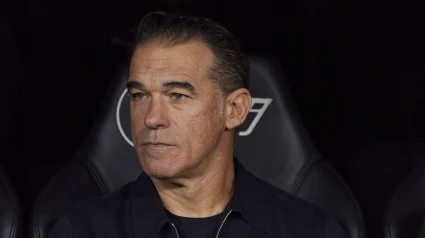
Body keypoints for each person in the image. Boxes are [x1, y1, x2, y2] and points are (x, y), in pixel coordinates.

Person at [48, 11, 349, 238]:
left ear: (234, 109)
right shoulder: (82, 230)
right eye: (140, 95)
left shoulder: (309, 231)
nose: (151, 118)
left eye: (177, 95)